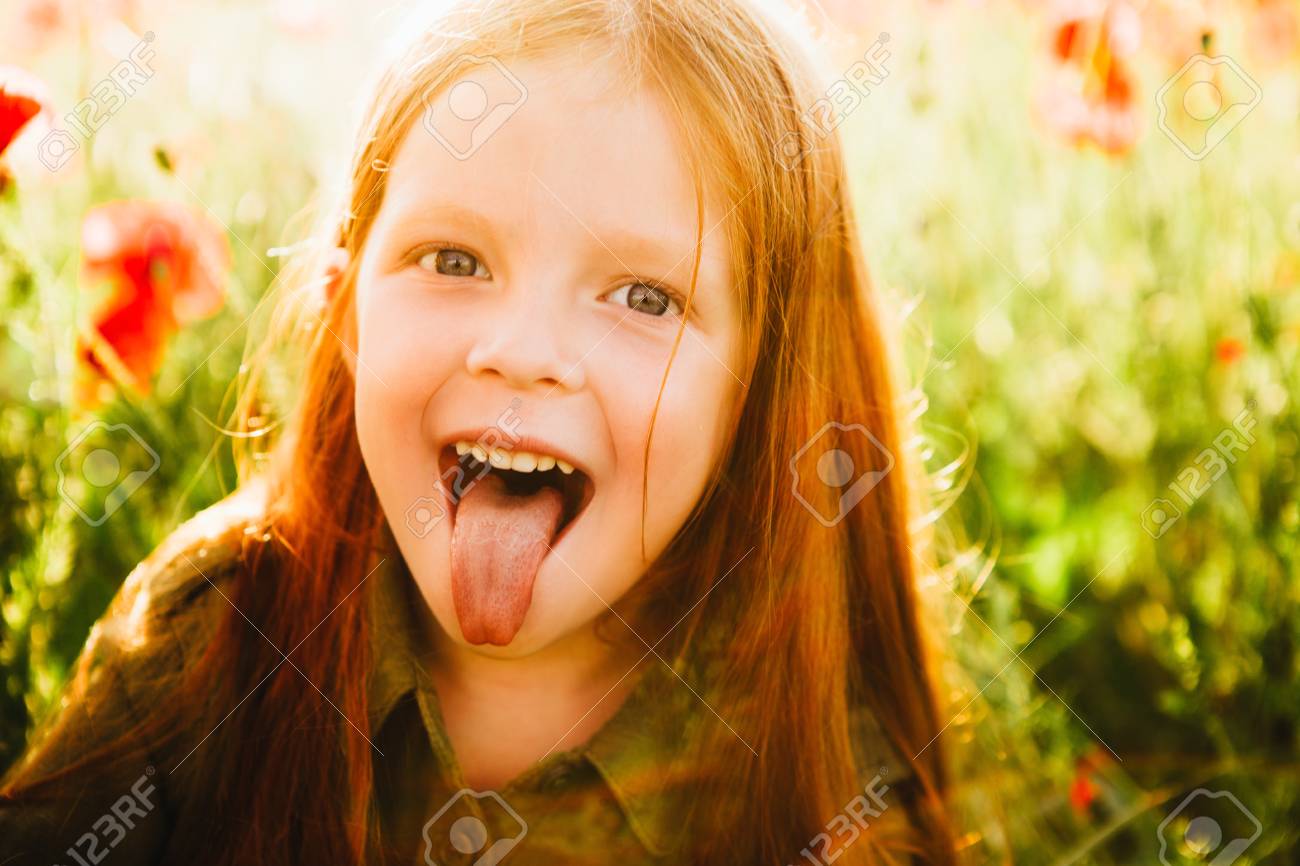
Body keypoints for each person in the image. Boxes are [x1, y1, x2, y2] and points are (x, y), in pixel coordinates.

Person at [0, 0, 957, 862]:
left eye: (643, 296)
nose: (523, 351)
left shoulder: (826, 794)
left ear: (761, 391)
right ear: (346, 315)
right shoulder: (211, 640)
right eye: (453, 259)